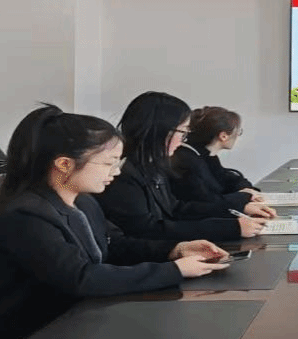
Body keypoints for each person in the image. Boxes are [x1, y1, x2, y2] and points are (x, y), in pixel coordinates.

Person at [0, 105, 232, 339]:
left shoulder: (83, 201)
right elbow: (81, 278)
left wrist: (175, 250)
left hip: (74, 323)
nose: (116, 171)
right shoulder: (25, 216)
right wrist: (174, 270)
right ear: (64, 164)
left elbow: (115, 245)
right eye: (108, 163)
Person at [96, 92, 271, 243]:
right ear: (161, 131)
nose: (183, 140)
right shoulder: (122, 174)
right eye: (182, 132)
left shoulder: (152, 165)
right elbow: (148, 230)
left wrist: (239, 209)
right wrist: (230, 228)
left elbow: (177, 209)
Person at [170, 106, 266, 213]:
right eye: (238, 132)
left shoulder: (207, 156)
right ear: (223, 136)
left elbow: (230, 179)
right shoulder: (187, 161)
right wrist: (245, 196)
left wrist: (246, 191)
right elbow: (207, 202)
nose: (238, 136)